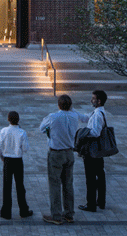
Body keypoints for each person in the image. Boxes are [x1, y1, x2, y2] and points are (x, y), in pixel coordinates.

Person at [39, 94, 81, 225]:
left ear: (58, 105)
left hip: (56, 153)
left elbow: (41, 128)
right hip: (69, 152)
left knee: (55, 184)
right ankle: (69, 214)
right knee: (68, 184)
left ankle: (56, 215)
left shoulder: (52, 117)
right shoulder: (74, 116)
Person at [0, 111, 34, 220]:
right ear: (18, 120)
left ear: (8, 119)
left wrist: (3, 158)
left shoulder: (4, 131)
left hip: (7, 160)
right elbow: (25, 148)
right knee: (20, 186)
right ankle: (23, 210)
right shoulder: (22, 132)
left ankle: (6, 212)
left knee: (7, 186)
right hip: (18, 161)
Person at [74, 90, 109, 212]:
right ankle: (101, 201)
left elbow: (95, 132)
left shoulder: (98, 115)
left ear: (99, 101)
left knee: (90, 177)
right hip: (98, 151)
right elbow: (85, 118)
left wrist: (84, 133)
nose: (91, 100)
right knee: (100, 174)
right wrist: (73, 111)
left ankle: (91, 204)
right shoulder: (98, 112)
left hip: (92, 150)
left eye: (93, 98)